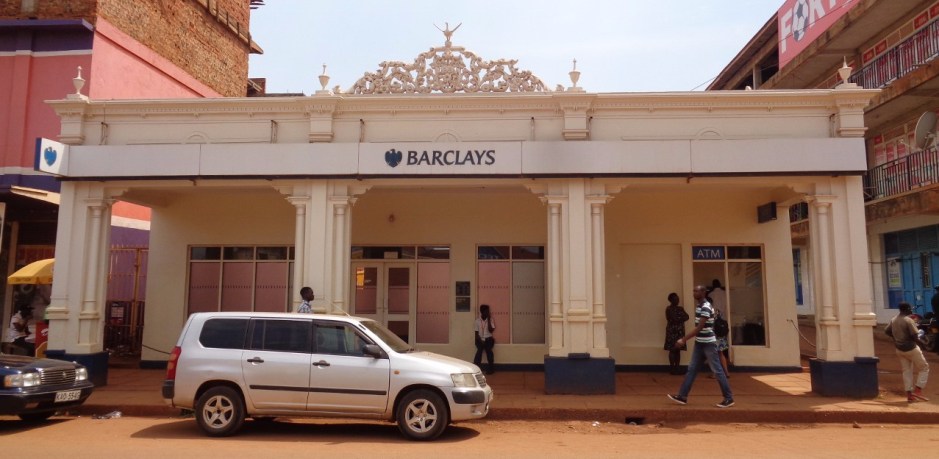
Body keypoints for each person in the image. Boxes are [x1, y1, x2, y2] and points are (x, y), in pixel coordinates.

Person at [667, 285, 734, 408]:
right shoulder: (699, 306)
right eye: (693, 290)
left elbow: (699, 328)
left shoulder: (706, 307)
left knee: (717, 371)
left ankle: (728, 398)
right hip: (700, 343)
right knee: (692, 369)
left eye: (696, 291)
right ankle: (682, 396)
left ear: (704, 292)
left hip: (708, 343)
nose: (694, 293)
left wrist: (683, 339)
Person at [885, 302, 930, 402]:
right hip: (911, 348)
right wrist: (924, 346)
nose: (911, 310)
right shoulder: (908, 320)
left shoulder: (894, 319)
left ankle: (909, 395)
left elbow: (886, 331)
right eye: (910, 309)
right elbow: (915, 337)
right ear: (907, 309)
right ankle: (918, 390)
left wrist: (895, 338)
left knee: (907, 371)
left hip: (899, 349)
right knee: (924, 368)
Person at [707, 279, 731, 377]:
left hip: (712, 335)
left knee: (712, 354)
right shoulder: (717, 311)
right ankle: (726, 372)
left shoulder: (707, 312)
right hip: (721, 333)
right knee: (721, 353)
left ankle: (714, 373)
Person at [663, 292, 689, 375]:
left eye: (678, 299)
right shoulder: (669, 309)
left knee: (678, 350)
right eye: (675, 299)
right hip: (672, 332)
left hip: (680, 332)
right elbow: (674, 319)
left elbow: (687, 317)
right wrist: (680, 318)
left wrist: (679, 318)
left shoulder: (680, 308)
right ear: (671, 300)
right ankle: (672, 368)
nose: (677, 300)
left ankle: (677, 368)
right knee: (672, 349)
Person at [474, 304, 496, 375]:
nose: (488, 312)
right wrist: (481, 341)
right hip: (479, 340)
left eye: (488, 311)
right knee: (479, 351)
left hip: (489, 339)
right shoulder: (477, 321)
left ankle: (491, 369)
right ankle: (476, 369)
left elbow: (491, 330)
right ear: (482, 312)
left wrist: (489, 320)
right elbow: (476, 334)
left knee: (489, 351)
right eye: (486, 311)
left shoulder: (491, 320)